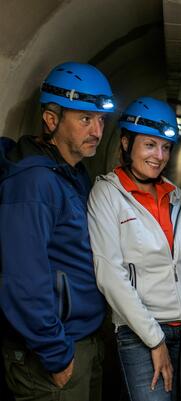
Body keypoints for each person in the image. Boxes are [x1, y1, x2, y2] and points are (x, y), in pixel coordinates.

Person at [0, 61, 115, 401]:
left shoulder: (71, 172)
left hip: (81, 339)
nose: (96, 130)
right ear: (51, 120)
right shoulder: (33, 184)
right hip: (53, 352)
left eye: (101, 120)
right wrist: (55, 353)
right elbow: (22, 279)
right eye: (84, 119)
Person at [87, 96, 181, 401]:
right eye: (150, 145)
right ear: (126, 143)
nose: (159, 156)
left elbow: (179, 263)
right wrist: (155, 341)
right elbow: (109, 274)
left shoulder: (175, 197)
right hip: (139, 331)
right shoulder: (107, 195)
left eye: (166, 147)